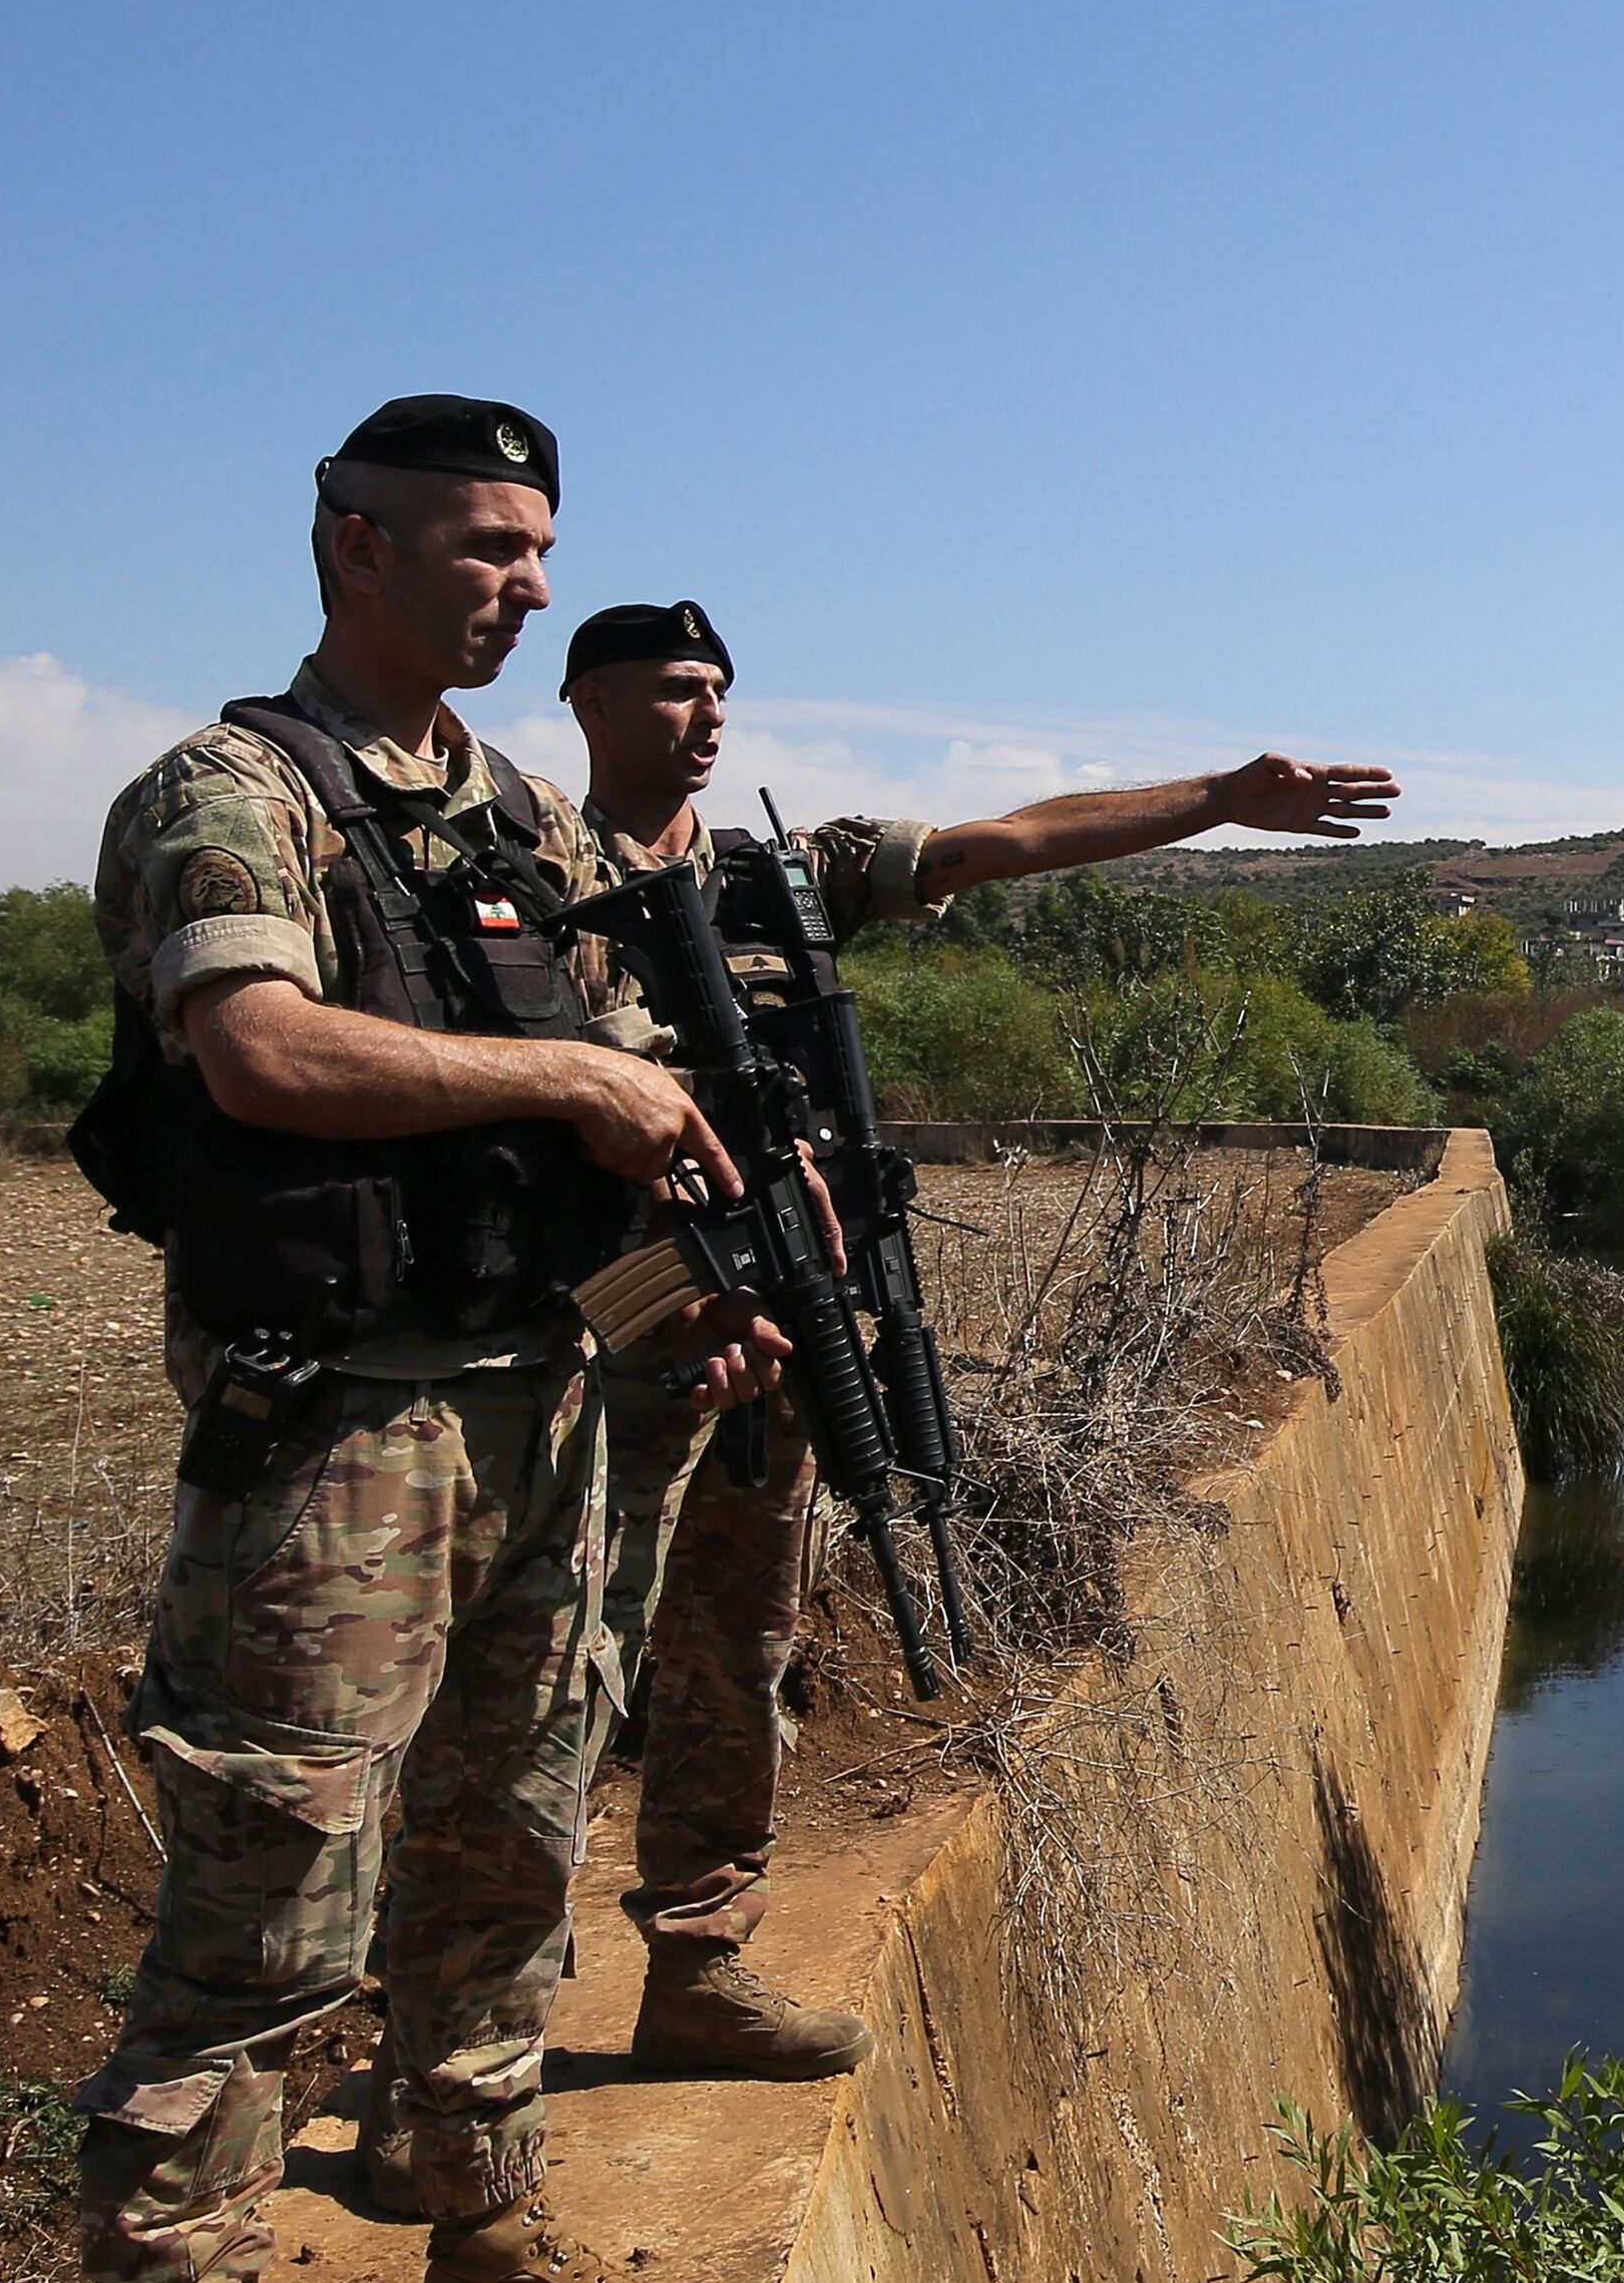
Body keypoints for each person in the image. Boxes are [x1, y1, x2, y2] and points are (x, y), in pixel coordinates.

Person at [65, 398, 793, 2283]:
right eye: (486, 546)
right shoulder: (232, 792)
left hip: (543, 1408)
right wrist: (577, 1069)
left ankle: (488, 2256)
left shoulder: (515, 811)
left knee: (508, 1845)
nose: (528, 586)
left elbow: (588, 1139)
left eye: (539, 546)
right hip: (338, 1450)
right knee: (265, 1914)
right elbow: (267, 1053)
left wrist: (684, 1311)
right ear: (351, 544)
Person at [557, 599, 1397, 2078]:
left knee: (737, 1645)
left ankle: (697, 1962)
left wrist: (1218, 800)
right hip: (616, 1349)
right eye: (674, 689)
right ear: (588, 701)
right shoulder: (531, 875)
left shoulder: (784, 874)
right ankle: (466, 2012)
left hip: (784, 1324)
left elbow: (1001, 840)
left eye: (718, 691)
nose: (706, 716)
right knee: (562, 1660)